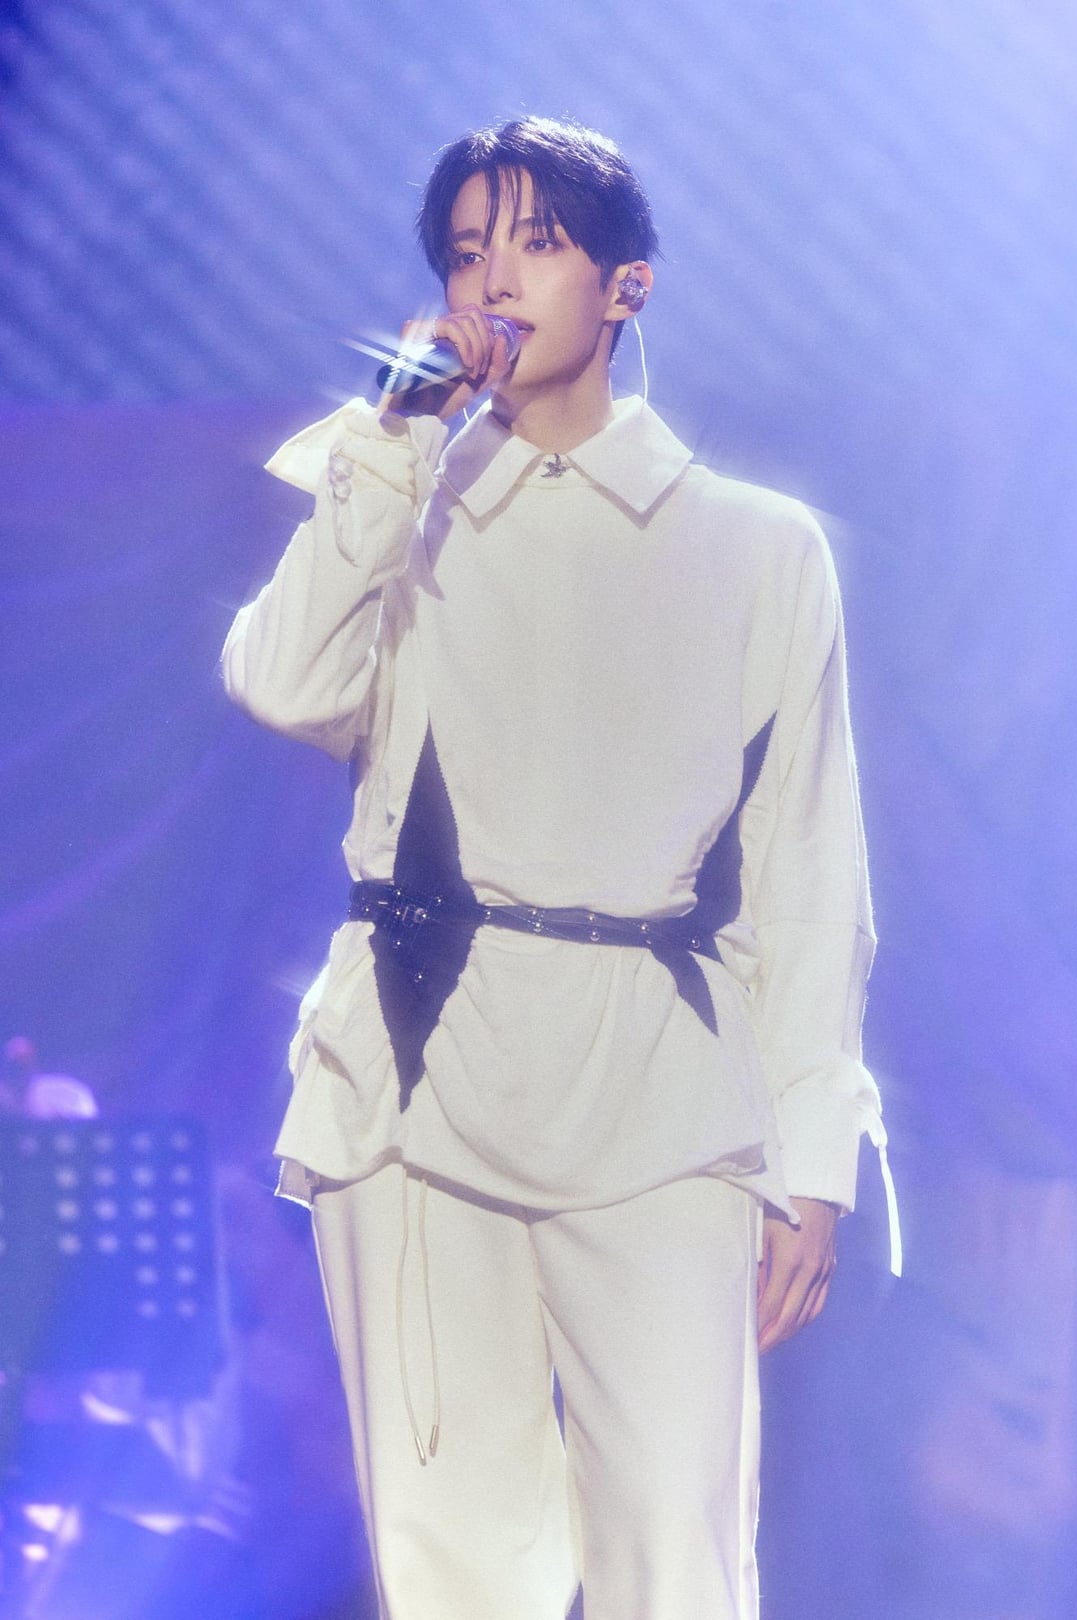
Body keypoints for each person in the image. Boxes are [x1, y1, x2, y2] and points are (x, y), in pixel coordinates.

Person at [222, 115, 895, 1620]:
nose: (495, 280)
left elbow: (809, 873)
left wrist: (815, 1160)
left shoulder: (760, 547)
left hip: (657, 1085)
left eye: (536, 242)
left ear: (627, 284)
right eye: (469, 251)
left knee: (676, 1557)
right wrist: (395, 436)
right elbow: (282, 685)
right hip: (412, 1068)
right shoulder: (396, 495)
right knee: (453, 1562)